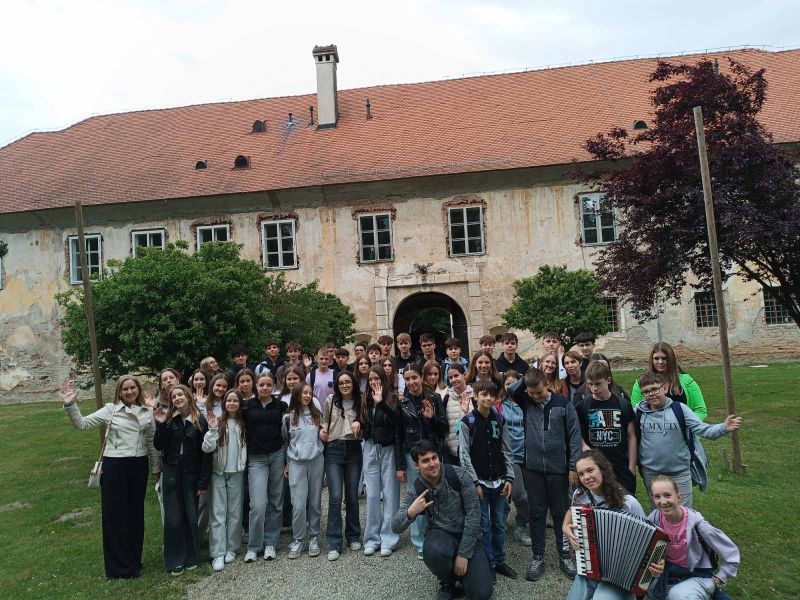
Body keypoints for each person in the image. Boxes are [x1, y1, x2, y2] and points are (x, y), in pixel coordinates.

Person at [60, 376, 160, 579]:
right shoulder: (110, 410)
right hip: (115, 465)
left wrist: (156, 469)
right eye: (125, 389)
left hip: (138, 465)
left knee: (135, 515)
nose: (129, 392)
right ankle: (118, 567)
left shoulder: (147, 411)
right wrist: (71, 405)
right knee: (115, 516)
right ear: (119, 392)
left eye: (133, 388)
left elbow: (151, 442)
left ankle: (133, 560)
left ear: (138, 389)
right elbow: (82, 424)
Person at [392, 440, 493, 600]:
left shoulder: (459, 475)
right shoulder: (417, 488)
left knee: (481, 594)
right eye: (425, 461)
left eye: (434, 457)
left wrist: (463, 555)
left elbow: (474, 516)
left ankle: (464, 573)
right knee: (433, 550)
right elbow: (395, 527)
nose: (432, 464)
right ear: (417, 465)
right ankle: (448, 582)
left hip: (467, 536)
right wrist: (411, 512)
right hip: (441, 537)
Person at [508, 368, 581, 582]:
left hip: (559, 469)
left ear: (547, 384)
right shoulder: (526, 401)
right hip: (533, 469)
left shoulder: (563, 405)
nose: (536, 397)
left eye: (539, 392)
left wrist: (573, 466)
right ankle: (538, 557)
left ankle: (565, 556)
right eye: (531, 393)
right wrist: (527, 377)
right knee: (537, 513)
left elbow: (575, 435)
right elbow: (511, 390)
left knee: (561, 513)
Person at [635, 373, 742, 508]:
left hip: (679, 472)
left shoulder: (680, 409)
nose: (651, 394)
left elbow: (703, 429)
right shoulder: (638, 412)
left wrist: (724, 427)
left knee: (683, 512)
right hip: (651, 473)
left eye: (655, 389)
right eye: (646, 392)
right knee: (659, 512)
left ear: (665, 388)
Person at [563, 450, 654, 600]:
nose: (586, 477)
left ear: (603, 469)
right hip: (590, 566)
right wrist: (565, 527)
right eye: (581, 474)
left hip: (621, 576)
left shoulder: (629, 503)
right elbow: (570, 512)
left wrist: (656, 564)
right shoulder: (580, 495)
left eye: (590, 470)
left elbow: (650, 539)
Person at [458, 380, 517, 579]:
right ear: (475, 396)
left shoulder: (500, 420)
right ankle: (488, 562)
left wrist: (509, 477)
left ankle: (499, 560)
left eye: (492, 395)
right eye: (484, 394)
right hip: (480, 482)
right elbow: (464, 454)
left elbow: (507, 450)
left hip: (499, 481)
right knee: (483, 526)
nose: (488, 398)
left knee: (499, 523)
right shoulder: (467, 422)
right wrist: (474, 482)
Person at [647, 476, 740, 600]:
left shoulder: (698, 525)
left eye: (667, 495)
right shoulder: (654, 520)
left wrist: (719, 578)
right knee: (647, 591)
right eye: (657, 496)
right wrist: (656, 564)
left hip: (698, 574)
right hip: (669, 572)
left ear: (678, 497)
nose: (663, 501)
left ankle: (709, 589)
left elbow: (731, 553)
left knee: (678, 595)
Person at [154, 384, 212, 575]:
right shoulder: (170, 420)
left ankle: (192, 556)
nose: (177, 398)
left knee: (190, 514)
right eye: (174, 396)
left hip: (191, 473)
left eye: (180, 395)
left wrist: (203, 481)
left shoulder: (199, 420)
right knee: (173, 516)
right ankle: (175, 559)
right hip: (171, 471)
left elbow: (206, 454)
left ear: (188, 397)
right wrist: (160, 425)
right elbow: (159, 445)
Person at [398, 363, 449, 558]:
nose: (411, 382)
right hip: (413, 456)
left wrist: (432, 417)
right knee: (418, 495)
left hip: (433, 454)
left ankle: (439, 534)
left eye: (414, 377)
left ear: (421, 377)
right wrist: (400, 465)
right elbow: (399, 435)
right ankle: (419, 540)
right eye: (407, 379)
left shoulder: (435, 398)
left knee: (438, 494)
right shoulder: (403, 403)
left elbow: (444, 428)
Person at [359, 366, 403, 557]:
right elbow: (364, 421)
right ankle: (371, 538)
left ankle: (389, 538)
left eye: (377, 379)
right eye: (370, 380)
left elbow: (398, 421)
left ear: (383, 380)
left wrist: (382, 403)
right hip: (370, 447)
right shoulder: (365, 399)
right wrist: (358, 423)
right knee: (372, 494)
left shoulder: (392, 398)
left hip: (388, 448)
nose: (373, 382)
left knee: (391, 493)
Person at [575, 360, 638, 494]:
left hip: (620, 467)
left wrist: (632, 467)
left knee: (624, 502)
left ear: (608, 381)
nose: (594, 388)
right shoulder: (583, 406)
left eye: (598, 384)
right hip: (595, 467)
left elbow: (631, 436)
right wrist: (584, 445)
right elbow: (576, 432)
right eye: (590, 384)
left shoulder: (623, 404)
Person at [242, 371, 286, 562]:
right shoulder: (247, 406)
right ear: (256, 386)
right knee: (258, 505)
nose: (265, 388)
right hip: (256, 458)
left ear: (273, 386)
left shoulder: (280, 406)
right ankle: (254, 545)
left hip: (277, 454)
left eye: (268, 384)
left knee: (276, 501)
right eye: (261, 385)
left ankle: (270, 543)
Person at [202, 389, 247, 571]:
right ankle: (218, 552)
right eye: (229, 400)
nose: (232, 403)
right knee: (218, 513)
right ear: (224, 403)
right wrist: (212, 430)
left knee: (234, 512)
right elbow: (206, 448)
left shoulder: (243, 424)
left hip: (237, 472)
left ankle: (232, 547)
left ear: (240, 404)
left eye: (235, 401)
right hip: (218, 472)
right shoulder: (218, 422)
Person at [320, 370, 363, 560]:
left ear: (353, 383)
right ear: (337, 385)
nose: (345, 385)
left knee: (352, 495)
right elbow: (324, 421)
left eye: (348, 382)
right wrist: (323, 430)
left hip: (354, 449)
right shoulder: (331, 400)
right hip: (334, 449)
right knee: (335, 496)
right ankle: (334, 542)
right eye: (341, 383)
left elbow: (366, 419)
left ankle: (353, 535)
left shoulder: (360, 400)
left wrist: (359, 421)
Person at [282, 382, 325, 559]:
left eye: (309, 393)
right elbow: (285, 441)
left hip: (316, 460)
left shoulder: (317, 414)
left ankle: (313, 537)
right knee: (298, 504)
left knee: (315, 502)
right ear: (297, 394)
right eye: (304, 393)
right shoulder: (287, 417)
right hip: (296, 463)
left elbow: (323, 435)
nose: (307, 396)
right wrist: (286, 463)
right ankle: (298, 539)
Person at [630, 343, 708, 420]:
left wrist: (684, 423)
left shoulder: (687, 381)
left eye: (664, 358)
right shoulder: (641, 383)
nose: (660, 362)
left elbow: (701, 410)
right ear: (652, 360)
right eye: (656, 358)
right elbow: (635, 412)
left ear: (671, 360)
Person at [499, 370, 531, 547]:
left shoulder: (526, 402)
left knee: (527, 495)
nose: (510, 387)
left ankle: (521, 526)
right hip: (510, 456)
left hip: (528, 454)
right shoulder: (499, 405)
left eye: (514, 383)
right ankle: (506, 521)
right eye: (507, 384)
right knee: (518, 494)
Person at [441, 363, 473, 466]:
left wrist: (466, 412)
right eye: (450, 377)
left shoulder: (475, 396)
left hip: (473, 450)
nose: (453, 380)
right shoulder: (446, 398)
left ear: (464, 375)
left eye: (456, 376)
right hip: (453, 453)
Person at [306, 347, 334, 413]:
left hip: (331, 411)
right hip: (315, 410)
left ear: (329, 360)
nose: (324, 361)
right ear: (317, 359)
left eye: (326, 359)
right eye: (321, 359)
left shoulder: (335, 375)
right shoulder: (310, 376)